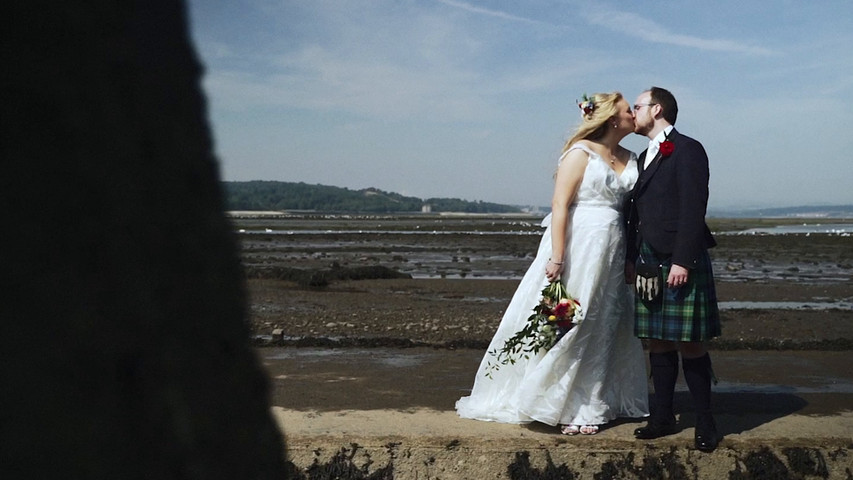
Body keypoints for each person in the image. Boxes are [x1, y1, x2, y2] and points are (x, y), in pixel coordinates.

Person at [455, 92, 649, 435]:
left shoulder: (631, 156)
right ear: (611, 119)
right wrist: (557, 257)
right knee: (570, 317)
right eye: (626, 111)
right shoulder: (580, 153)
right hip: (580, 244)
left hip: (614, 247)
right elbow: (560, 206)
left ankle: (591, 400)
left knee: (606, 322)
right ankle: (557, 401)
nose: (634, 115)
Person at [626, 86, 722, 452]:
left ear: (658, 108)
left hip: (679, 257)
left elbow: (693, 208)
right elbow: (635, 215)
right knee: (658, 342)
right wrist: (630, 260)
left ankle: (705, 422)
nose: (633, 112)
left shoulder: (687, 149)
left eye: (638, 106)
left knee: (690, 343)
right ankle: (661, 418)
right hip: (649, 259)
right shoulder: (642, 156)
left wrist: (683, 258)